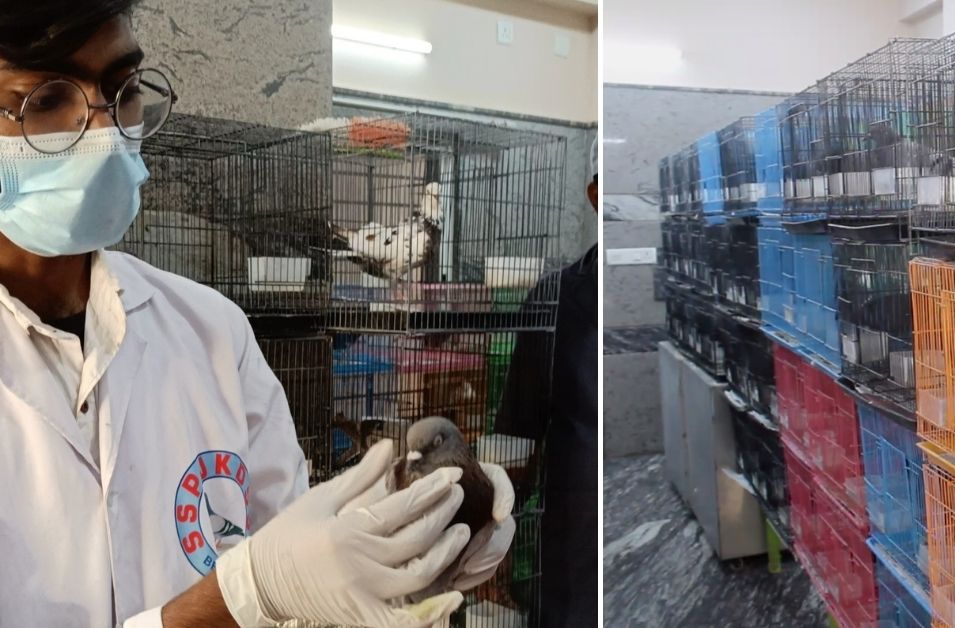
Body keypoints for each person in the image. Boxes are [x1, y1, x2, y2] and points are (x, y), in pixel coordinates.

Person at [0, 2, 514, 627]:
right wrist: (242, 595)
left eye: (123, 89)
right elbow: (263, 582)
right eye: (44, 101)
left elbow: (288, 551)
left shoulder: (212, 330)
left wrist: (397, 554)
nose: (105, 127)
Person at [496, 172, 599, 627]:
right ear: (594, 194)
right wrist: (495, 526)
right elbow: (519, 426)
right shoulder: (554, 297)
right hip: (572, 535)